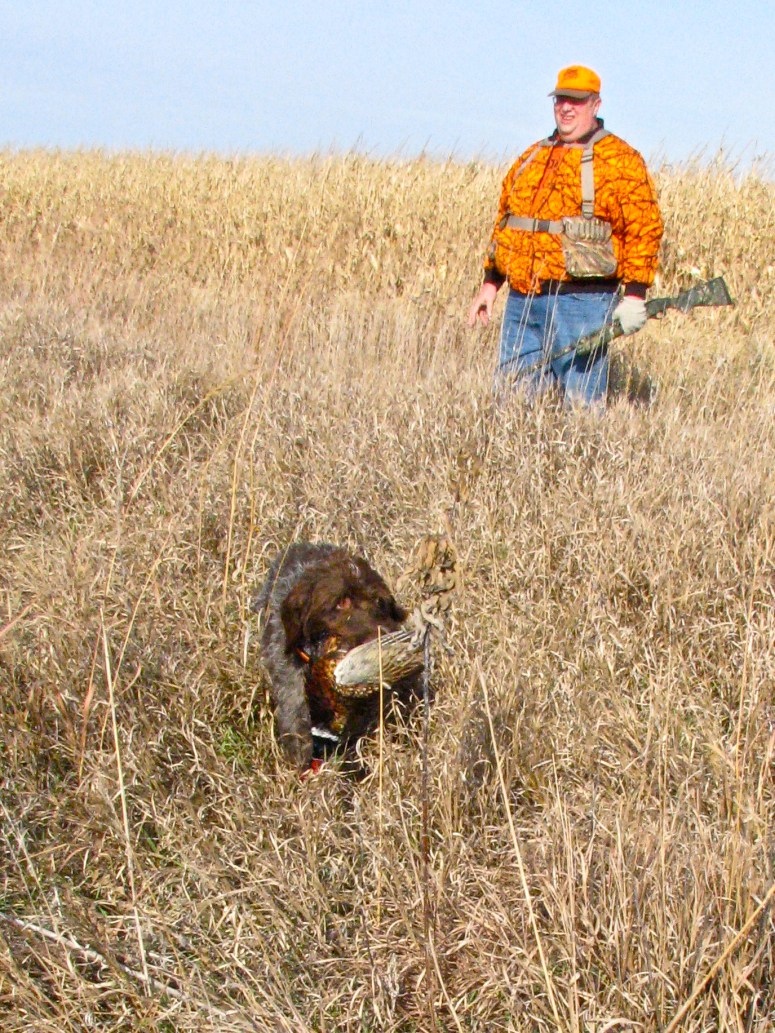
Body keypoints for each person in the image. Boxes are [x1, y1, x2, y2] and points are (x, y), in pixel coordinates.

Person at [468, 65, 663, 406]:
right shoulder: (532, 159)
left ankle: (585, 461)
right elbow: (507, 223)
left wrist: (635, 295)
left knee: (582, 407)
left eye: (576, 100)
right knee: (511, 404)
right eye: (560, 99)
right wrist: (490, 282)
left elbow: (643, 228)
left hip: (583, 303)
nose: (566, 107)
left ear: (596, 105)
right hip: (523, 301)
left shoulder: (621, 161)